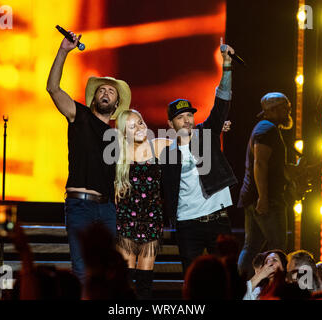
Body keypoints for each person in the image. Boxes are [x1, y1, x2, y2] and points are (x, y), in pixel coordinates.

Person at [46, 30, 131, 284]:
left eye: (111, 92)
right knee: (82, 272)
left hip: (107, 209)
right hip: (80, 206)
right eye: (101, 90)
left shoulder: (117, 136)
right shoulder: (79, 115)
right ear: (94, 97)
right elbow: (52, 88)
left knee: (105, 274)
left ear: (116, 105)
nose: (105, 93)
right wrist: (64, 50)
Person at [159, 43, 238, 275]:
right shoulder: (167, 154)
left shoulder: (206, 135)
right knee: (192, 280)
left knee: (226, 278)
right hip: (187, 224)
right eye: (180, 117)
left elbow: (222, 102)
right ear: (170, 124)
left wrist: (227, 67)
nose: (186, 120)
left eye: (189, 116)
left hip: (218, 220)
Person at [114, 109, 170, 300]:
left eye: (140, 121)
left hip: (152, 219)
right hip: (125, 220)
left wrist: (214, 129)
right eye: (132, 125)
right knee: (126, 278)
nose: (139, 127)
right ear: (123, 132)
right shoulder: (118, 154)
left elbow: (189, 141)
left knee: (145, 281)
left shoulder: (157, 146)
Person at [237, 92, 294, 279]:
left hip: (255, 197)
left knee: (252, 246)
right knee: (278, 248)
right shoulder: (267, 130)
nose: (289, 111)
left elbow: (269, 166)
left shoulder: (267, 128)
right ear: (274, 110)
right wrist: (263, 197)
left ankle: (239, 286)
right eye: (286, 108)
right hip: (266, 198)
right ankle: (275, 289)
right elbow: (260, 163)